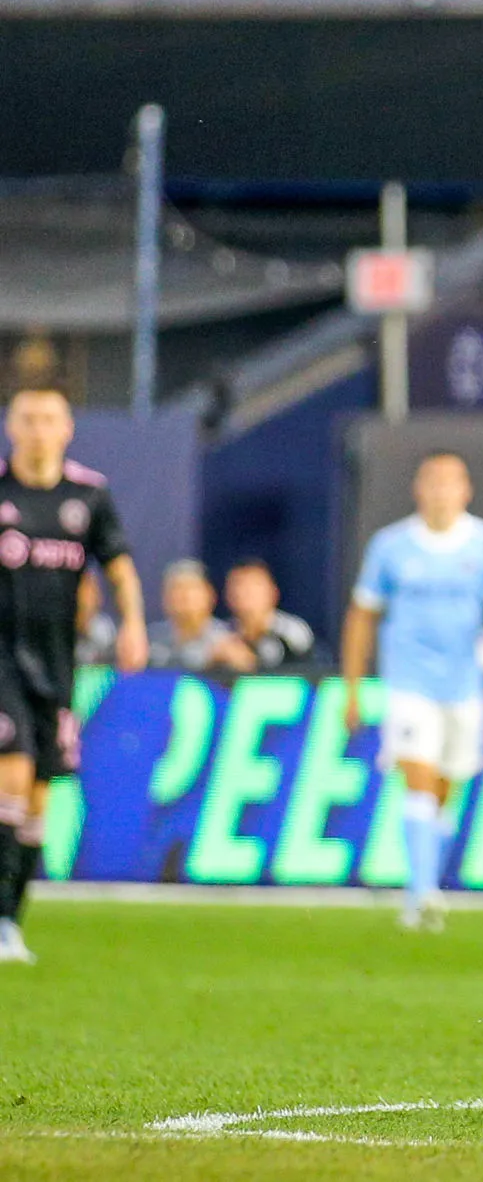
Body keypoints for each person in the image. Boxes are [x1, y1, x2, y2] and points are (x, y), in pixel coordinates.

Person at [342, 452, 483, 932]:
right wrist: (352, 687)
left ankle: (424, 883)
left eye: (450, 482)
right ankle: (422, 893)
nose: (441, 492)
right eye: (432, 482)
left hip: (463, 684)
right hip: (408, 680)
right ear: (417, 489)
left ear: (466, 490)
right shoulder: (391, 546)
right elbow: (362, 615)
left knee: (447, 786)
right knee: (418, 775)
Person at [0, 388, 148, 963]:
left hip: (58, 665)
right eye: (28, 419)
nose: (38, 429)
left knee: (39, 800)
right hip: (2, 660)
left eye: (49, 419)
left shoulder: (88, 495)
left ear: (67, 429)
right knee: (11, 777)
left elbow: (119, 566)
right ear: (12, 427)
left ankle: (10, 920)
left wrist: (133, 624)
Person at [149, 559, 254, 672]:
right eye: (176, 589)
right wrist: (206, 657)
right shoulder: (151, 639)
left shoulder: (228, 636)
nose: (185, 596)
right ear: (165, 598)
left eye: (192, 588)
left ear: (209, 595)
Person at [224, 559, 315, 669]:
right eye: (238, 585)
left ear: (272, 592)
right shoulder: (222, 634)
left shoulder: (292, 631)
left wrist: (251, 663)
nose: (244, 593)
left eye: (254, 586)